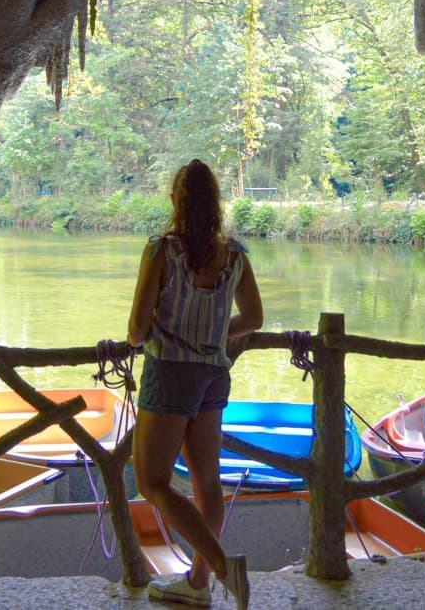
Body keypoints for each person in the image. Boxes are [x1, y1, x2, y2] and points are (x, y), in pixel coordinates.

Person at [127, 159, 263, 609]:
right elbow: (255, 318)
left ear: (175, 202)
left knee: (152, 481)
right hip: (213, 376)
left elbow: (136, 331)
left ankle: (222, 565)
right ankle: (199, 584)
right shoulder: (235, 255)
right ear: (216, 205)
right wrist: (215, 335)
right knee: (207, 481)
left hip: (169, 376)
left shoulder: (161, 251)